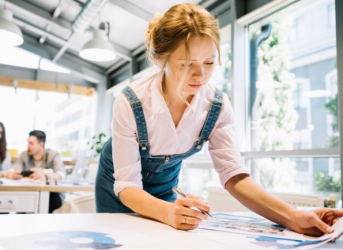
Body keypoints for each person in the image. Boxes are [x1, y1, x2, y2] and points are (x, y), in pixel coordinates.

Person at [95, 3, 343, 236]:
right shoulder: (130, 102)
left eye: (210, 62)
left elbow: (233, 174)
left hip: (163, 191)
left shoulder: (217, 105)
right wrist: (168, 211)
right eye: (187, 64)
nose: (200, 75)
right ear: (161, 59)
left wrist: (292, 217)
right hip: (118, 189)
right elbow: (127, 184)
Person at [6, 130, 65, 213]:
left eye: (31, 143)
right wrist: (10, 174)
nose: (27, 146)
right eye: (27, 143)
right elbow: (13, 168)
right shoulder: (24, 155)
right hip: (28, 194)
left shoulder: (53, 154)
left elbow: (61, 174)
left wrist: (45, 176)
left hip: (51, 196)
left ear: (41, 144)